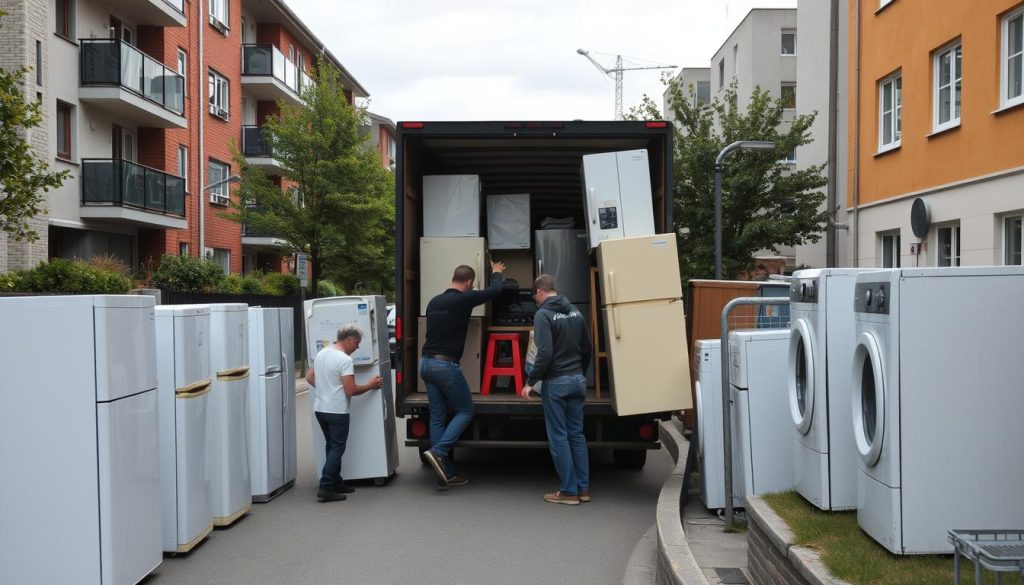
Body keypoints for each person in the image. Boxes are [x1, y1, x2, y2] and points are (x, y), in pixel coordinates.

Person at [420, 260, 506, 489]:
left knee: (438, 415)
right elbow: (496, 291)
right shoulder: (463, 299)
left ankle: (445, 472)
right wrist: (496, 272)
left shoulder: (433, 301)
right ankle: (438, 452)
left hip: (425, 363)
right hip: (445, 366)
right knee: (465, 409)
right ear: (468, 282)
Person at [520, 274, 593, 505]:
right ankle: (583, 489)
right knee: (577, 435)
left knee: (559, 436)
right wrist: (579, 372)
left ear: (540, 292)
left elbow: (545, 353)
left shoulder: (543, 315)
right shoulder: (575, 312)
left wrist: (530, 382)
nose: (536, 300)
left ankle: (568, 492)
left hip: (557, 383)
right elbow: (587, 348)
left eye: (535, 296)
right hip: (577, 380)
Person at [306, 325, 384, 502]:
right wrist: (370, 385)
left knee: (331, 446)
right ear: (348, 339)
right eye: (356, 342)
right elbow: (351, 390)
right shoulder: (344, 360)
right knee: (338, 447)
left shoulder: (322, 353)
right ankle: (326, 486)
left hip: (320, 408)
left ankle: (336, 482)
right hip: (337, 411)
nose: (357, 347)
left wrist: (326, 390)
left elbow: (309, 377)